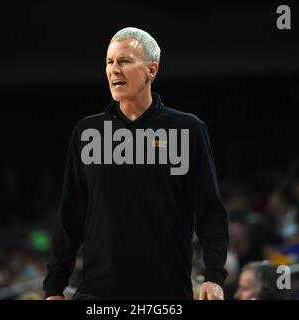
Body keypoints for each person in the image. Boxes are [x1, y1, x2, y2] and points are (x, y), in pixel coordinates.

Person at [43, 27, 228, 300]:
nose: (114, 69)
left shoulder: (187, 129)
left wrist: (214, 276)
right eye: (109, 62)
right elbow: (70, 215)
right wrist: (54, 288)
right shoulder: (86, 132)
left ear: (151, 70)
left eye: (125, 61)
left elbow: (209, 209)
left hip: (165, 293)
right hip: (98, 294)